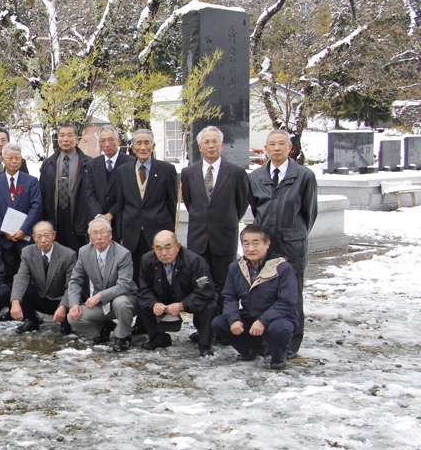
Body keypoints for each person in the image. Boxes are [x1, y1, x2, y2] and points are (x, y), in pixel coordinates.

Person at [248, 130, 317, 359]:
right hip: (266, 245)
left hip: (292, 244)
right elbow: (256, 208)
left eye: (281, 144)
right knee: (265, 292)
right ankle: (267, 340)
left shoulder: (304, 176)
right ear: (266, 149)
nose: (276, 148)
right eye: (272, 144)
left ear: (290, 148)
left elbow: (309, 213)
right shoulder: (256, 176)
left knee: (292, 293)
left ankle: (291, 343)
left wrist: (293, 233)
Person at [181, 126, 250, 318]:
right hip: (199, 238)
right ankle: (202, 327)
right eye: (206, 142)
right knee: (201, 283)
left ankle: (223, 324)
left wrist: (225, 220)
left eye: (215, 141)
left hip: (224, 237)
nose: (211, 146)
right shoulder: (188, 173)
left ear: (221, 144)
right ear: (200, 147)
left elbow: (241, 204)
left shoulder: (236, 172)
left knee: (224, 284)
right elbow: (190, 202)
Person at [211, 225, 299, 370]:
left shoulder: (282, 268)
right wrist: (234, 319)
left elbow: (286, 302)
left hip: (278, 316)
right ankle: (250, 350)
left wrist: (263, 321)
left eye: (256, 243)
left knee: (280, 328)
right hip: (251, 314)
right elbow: (229, 296)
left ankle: (278, 357)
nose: (250, 248)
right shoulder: (236, 267)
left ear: (267, 244)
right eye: (246, 243)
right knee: (219, 323)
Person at [135, 231, 216, 356]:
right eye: (159, 249)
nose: (164, 253)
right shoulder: (147, 260)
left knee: (210, 305)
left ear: (178, 246)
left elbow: (205, 290)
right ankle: (157, 337)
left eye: (168, 247)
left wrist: (182, 305)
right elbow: (144, 289)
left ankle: (204, 343)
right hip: (163, 295)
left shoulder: (195, 261)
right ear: (153, 249)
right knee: (141, 301)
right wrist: (154, 304)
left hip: (187, 296)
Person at [104, 129, 177, 263]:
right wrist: (121, 234)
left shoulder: (167, 170)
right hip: (131, 232)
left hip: (158, 231)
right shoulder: (122, 171)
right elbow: (120, 205)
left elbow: (172, 203)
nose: (143, 147)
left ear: (153, 146)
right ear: (132, 147)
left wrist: (170, 233)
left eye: (146, 143)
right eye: (138, 143)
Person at [66, 217, 135, 352]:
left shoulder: (123, 254)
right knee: (72, 318)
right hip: (101, 305)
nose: (99, 237)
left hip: (123, 300)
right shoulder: (84, 252)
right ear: (90, 238)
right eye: (95, 233)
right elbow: (75, 280)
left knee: (121, 302)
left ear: (110, 234)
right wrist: (74, 304)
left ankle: (124, 336)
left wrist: (99, 296)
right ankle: (105, 327)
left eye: (103, 232)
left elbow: (124, 285)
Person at [0, 143, 42, 279]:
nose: (14, 161)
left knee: (28, 272)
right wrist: (5, 230)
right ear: (3, 159)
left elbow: (36, 206)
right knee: (8, 272)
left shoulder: (31, 181)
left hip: (25, 236)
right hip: (4, 237)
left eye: (17, 158)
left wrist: (23, 230)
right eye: (10, 158)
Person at [9, 221, 76, 335]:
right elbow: (22, 276)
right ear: (34, 238)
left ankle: (66, 321)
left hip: (59, 300)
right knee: (20, 284)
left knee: (72, 293)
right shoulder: (27, 252)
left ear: (54, 235)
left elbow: (72, 285)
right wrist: (15, 301)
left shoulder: (68, 255)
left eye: (47, 235)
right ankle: (32, 320)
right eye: (39, 237)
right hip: (40, 296)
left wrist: (63, 306)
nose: (43, 240)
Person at [38, 123, 89, 250]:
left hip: (78, 218)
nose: (65, 139)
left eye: (69, 135)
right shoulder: (48, 163)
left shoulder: (89, 164)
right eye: (62, 135)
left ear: (77, 139)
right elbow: (42, 192)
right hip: (55, 218)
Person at [82, 125, 134, 236]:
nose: (107, 144)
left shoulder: (131, 163)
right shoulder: (92, 164)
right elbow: (89, 192)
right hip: (97, 221)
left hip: (121, 220)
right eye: (102, 141)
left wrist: (111, 214)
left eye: (111, 140)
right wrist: (99, 215)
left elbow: (129, 193)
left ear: (119, 141)